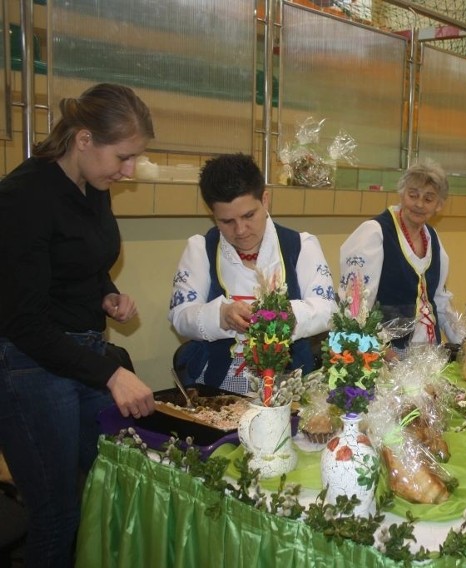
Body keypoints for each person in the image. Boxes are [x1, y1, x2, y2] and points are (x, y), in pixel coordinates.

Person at [0, 83, 156, 567]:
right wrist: (110, 373)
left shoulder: (92, 185)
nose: (129, 171)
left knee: (106, 486)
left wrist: (105, 293)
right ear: (84, 139)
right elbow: (23, 320)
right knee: (58, 512)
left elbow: (80, 264)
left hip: (78, 354)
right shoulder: (23, 197)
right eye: (123, 157)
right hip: (30, 365)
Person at [169, 153, 336, 394]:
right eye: (226, 221)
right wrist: (221, 315)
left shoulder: (301, 245)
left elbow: (328, 309)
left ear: (265, 200)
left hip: (289, 381)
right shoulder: (200, 248)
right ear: (212, 213)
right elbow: (180, 316)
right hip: (221, 381)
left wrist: (283, 316)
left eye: (249, 216)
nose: (241, 230)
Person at [339, 160, 460, 350]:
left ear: (439, 205)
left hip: (429, 354)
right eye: (413, 195)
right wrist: (381, 350)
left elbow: (439, 300)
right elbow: (356, 308)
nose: (419, 204)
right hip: (387, 352)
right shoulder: (374, 233)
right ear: (402, 194)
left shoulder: (432, 238)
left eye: (428, 199)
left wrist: (464, 338)